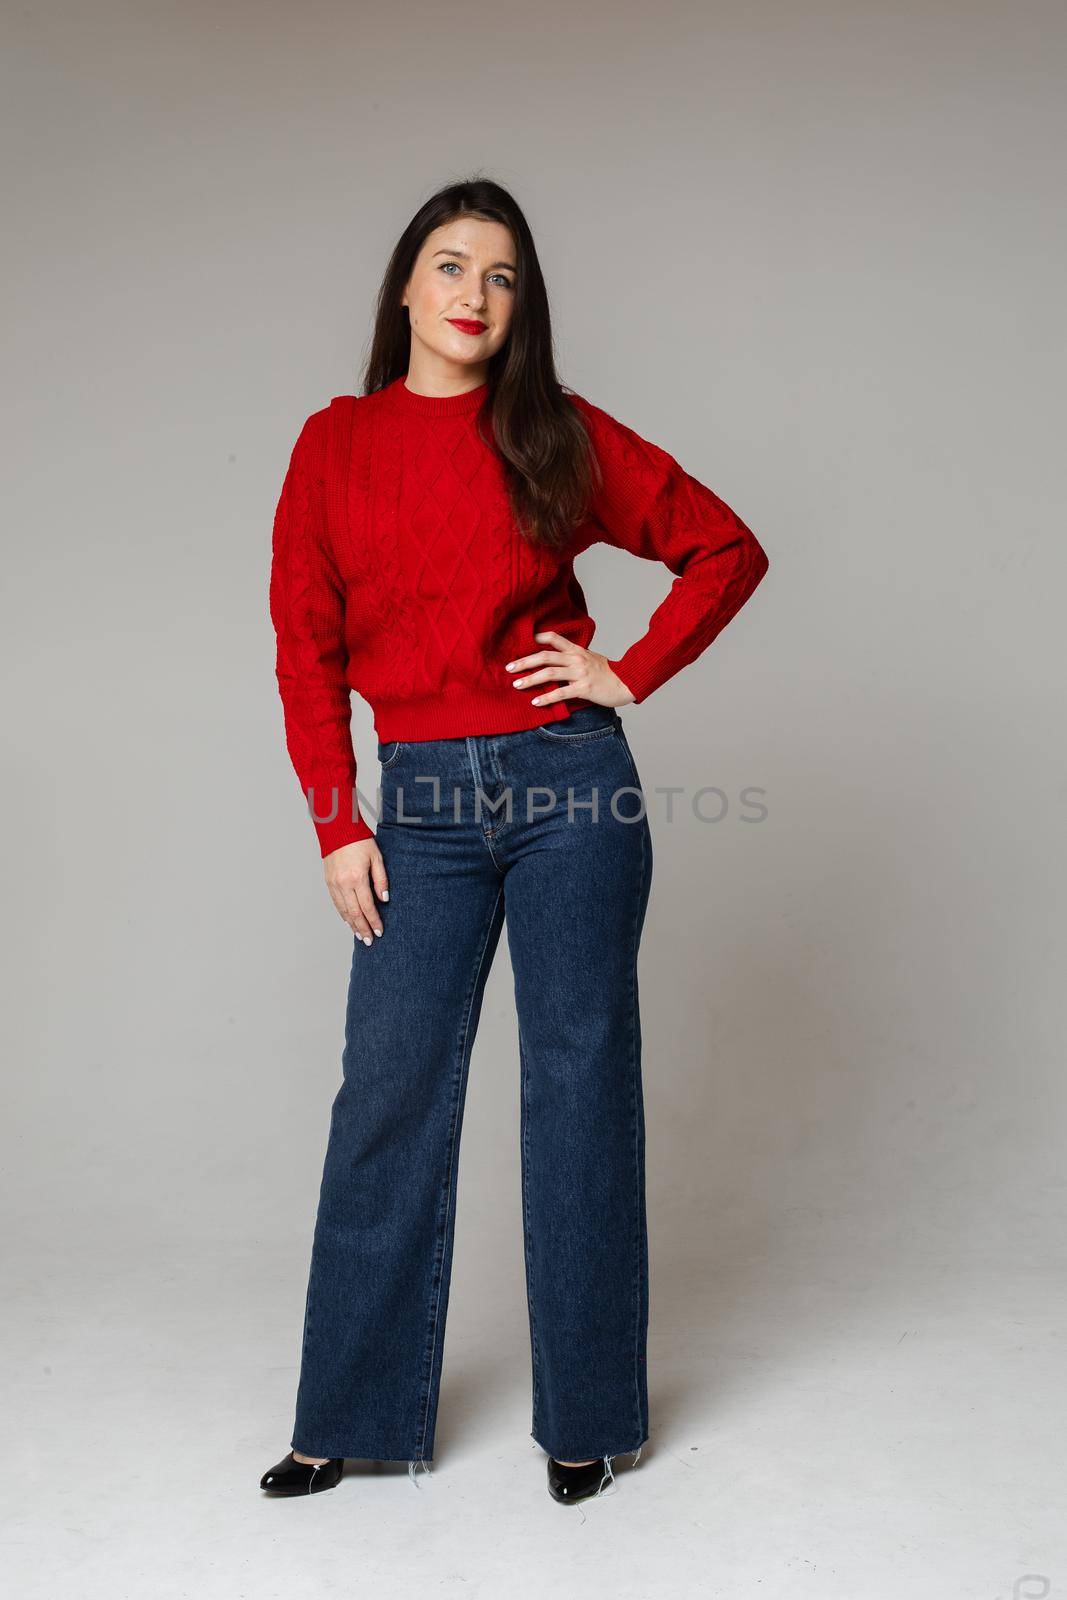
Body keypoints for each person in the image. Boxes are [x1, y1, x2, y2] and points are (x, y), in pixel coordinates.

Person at [259, 176, 769, 1506]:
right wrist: (335, 820)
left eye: (501, 276)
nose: (474, 294)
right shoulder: (336, 445)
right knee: (388, 1095)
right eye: (450, 265)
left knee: (578, 1091)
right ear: (407, 288)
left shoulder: (554, 433)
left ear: (520, 305)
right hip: (415, 808)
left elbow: (721, 546)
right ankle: (346, 1417)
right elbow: (304, 652)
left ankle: (587, 1419)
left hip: (570, 792)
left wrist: (630, 673)